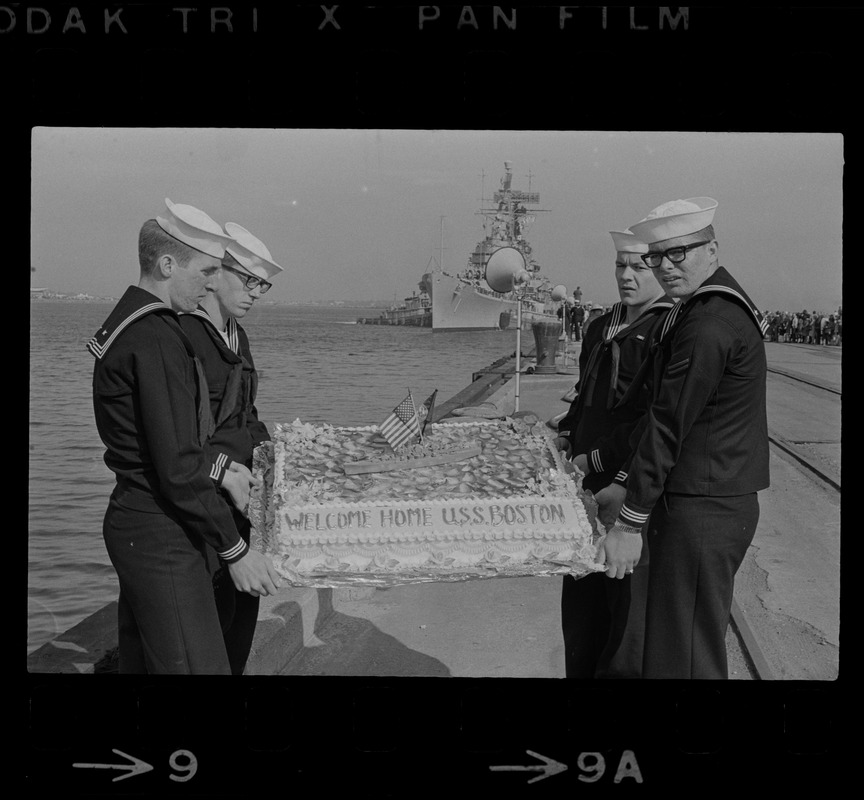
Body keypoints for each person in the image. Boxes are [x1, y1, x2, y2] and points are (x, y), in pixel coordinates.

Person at [87, 199, 282, 674]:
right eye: (208, 271)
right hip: (160, 528)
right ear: (168, 264)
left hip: (158, 518)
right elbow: (178, 461)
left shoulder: (142, 326)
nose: (213, 283)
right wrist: (235, 552)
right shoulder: (156, 337)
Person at [594, 197, 769, 679]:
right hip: (697, 501)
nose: (666, 266)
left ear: (711, 249)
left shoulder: (708, 322)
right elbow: (661, 417)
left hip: (703, 510)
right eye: (657, 256)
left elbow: (669, 425)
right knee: (670, 646)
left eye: (679, 253)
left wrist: (628, 524)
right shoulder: (701, 308)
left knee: (689, 655)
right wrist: (625, 483)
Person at [554, 229, 673, 678]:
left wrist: (601, 463)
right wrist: (567, 433)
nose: (627, 275)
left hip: (628, 485)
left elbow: (654, 420)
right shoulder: (601, 326)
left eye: (639, 266)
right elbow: (584, 395)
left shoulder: (666, 328)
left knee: (625, 614)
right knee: (581, 610)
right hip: (581, 482)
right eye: (620, 265)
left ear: (659, 268)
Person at [179, 222, 284, 675]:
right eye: (249, 280)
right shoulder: (184, 334)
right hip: (204, 499)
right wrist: (223, 469)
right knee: (212, 628)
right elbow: (181, 439)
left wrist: (276, 452)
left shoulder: (236, 336)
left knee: (241, 623)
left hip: (243, 501)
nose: (255, 293)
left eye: (262, 285)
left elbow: (246, 413)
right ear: (215, 272)